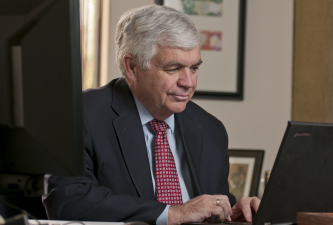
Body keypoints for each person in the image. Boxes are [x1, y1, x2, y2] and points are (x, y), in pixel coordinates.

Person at [43, 5, 260, 224]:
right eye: (173, 69)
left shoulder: (211, 130)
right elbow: (68, 201)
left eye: (194, 68)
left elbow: (212, 206)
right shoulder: (82, 115)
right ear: (132, 67)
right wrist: (173, 214)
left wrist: (234, 212)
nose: (189, 83)